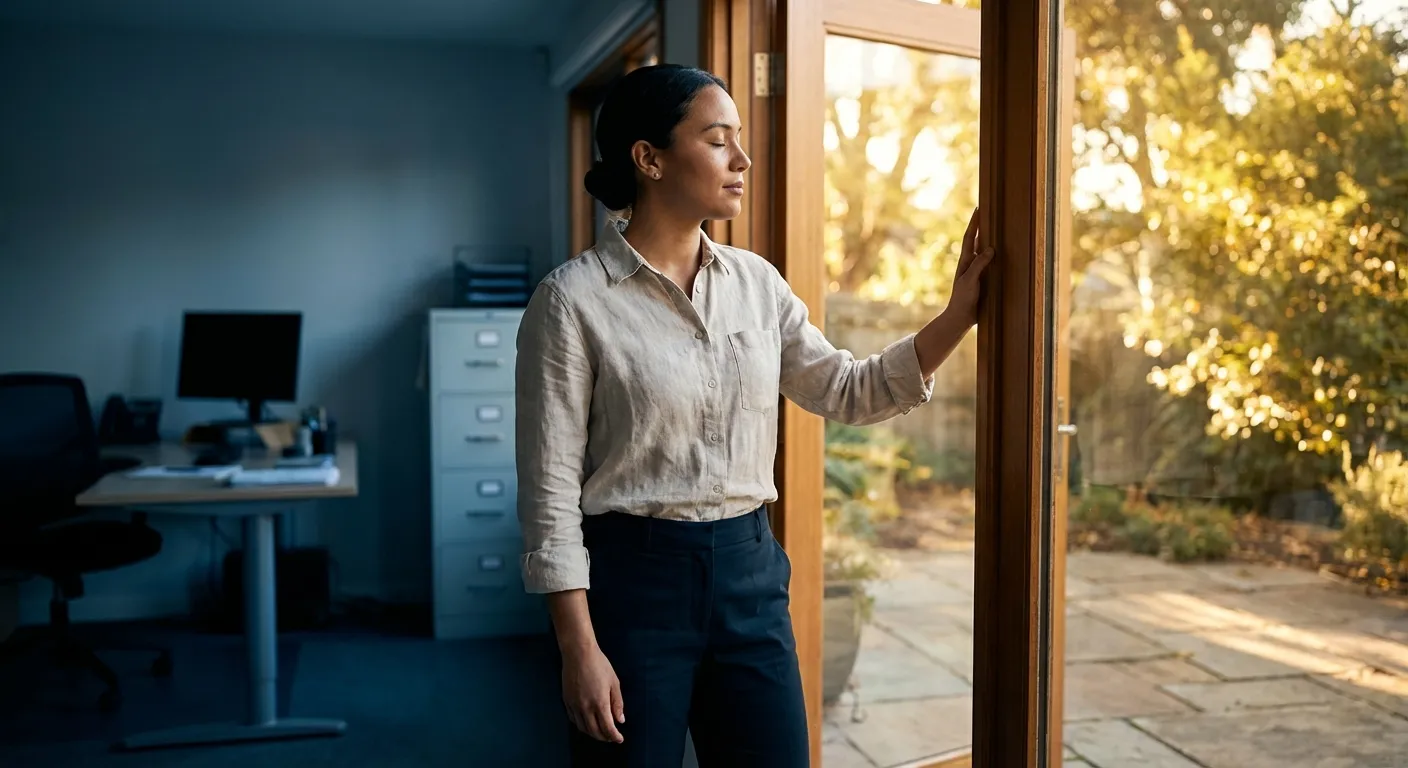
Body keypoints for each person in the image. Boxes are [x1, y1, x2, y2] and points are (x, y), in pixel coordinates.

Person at [515, 64, 993, 768]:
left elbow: (849, 389)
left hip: (750, 576)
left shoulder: (758, 284)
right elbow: (549, 497)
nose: (741, 160)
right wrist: (577, 648)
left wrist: (958, 316)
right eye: (717, 140)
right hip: (633, 588)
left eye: (739, 139)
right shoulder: (571, 302)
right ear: (648, 159)